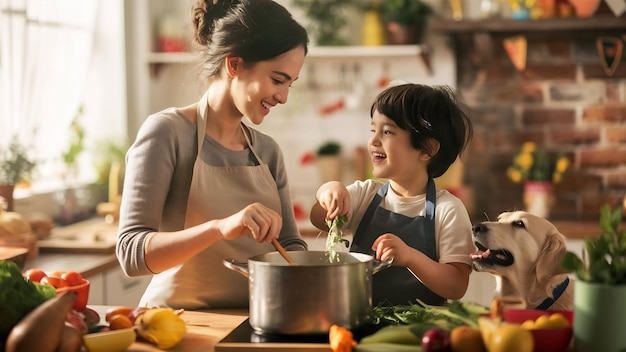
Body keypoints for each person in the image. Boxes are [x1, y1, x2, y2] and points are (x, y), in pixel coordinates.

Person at [116, 0, 309, 310]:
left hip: (256, 322)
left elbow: (288, 244)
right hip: (177, 325)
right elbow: (131, 253)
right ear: (234, 65)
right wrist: (218, 228)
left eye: (290, 84)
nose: (283, 97)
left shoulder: (267, 151)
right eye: (277, 80)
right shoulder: (167, 133)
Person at [310, 83, 474, 306]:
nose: (373, 141)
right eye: (373, 130)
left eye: (387, 132)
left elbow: (456, 286)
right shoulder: (366, 194)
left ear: (427, 148)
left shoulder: (449, 210)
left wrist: (410, 258)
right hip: (359, 323)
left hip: (421, 332)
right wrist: (329, 190)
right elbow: (318, 219)